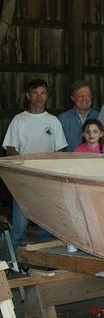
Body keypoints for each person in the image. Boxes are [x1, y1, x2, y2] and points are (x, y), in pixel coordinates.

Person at [2, 79, 67, 248]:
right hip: (23, 179)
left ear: (47, 96)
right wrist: (23, 170)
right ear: (28, 95)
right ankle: (15, 259)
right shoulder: (19, 120)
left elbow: (60, 151)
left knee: (47, 222)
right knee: (21, 222)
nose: (39, 97)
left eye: (43, 93)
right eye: (35, 93)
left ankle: (49, 256)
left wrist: (51, 171)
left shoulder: (53, 121)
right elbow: (10, 148)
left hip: (46, 178)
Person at [58, 81, 100, 152]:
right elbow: (59, 148)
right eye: (81, 96)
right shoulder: (62, 119)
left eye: (88, 96)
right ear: (73, 98)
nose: (84, 99)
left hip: (95, 161)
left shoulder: (100, 117)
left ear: (92, 97)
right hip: (70, 161)